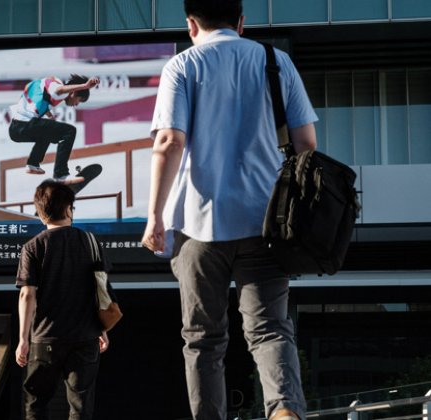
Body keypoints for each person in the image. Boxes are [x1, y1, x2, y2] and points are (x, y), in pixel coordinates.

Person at [141, 1, 318, 419]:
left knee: (202, 339)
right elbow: (306, 144)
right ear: (241, 22)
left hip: (197, 225)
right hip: (266, 221)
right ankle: (285, 410)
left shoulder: (181, 66)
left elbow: (169, 142)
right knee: (271, 329)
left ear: (190, 24)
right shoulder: (276, 61)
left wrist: (155, 216)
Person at [15, 180, 111, 420]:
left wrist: (23, 339)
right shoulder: (91, 242)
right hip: (85, 337)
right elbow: (101, 289)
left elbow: (28, 294)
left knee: (36, 404)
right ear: (68, 208)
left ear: (40, 212)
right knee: (80, 407)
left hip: (45, 338)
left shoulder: (32, 247)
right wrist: (102, 327)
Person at [9, 74, 99, 182]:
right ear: (73, 93)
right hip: (26, 124)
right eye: (78, 100)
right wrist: (85, 86)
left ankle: (33, 164)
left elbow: (37, 97)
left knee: (48, 132)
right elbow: (60, 90)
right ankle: (61, 174)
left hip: (15, 129)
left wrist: (47, 113)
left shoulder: (46, 84)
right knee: (69, 131)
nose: (76, 104)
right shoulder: (57, 87)